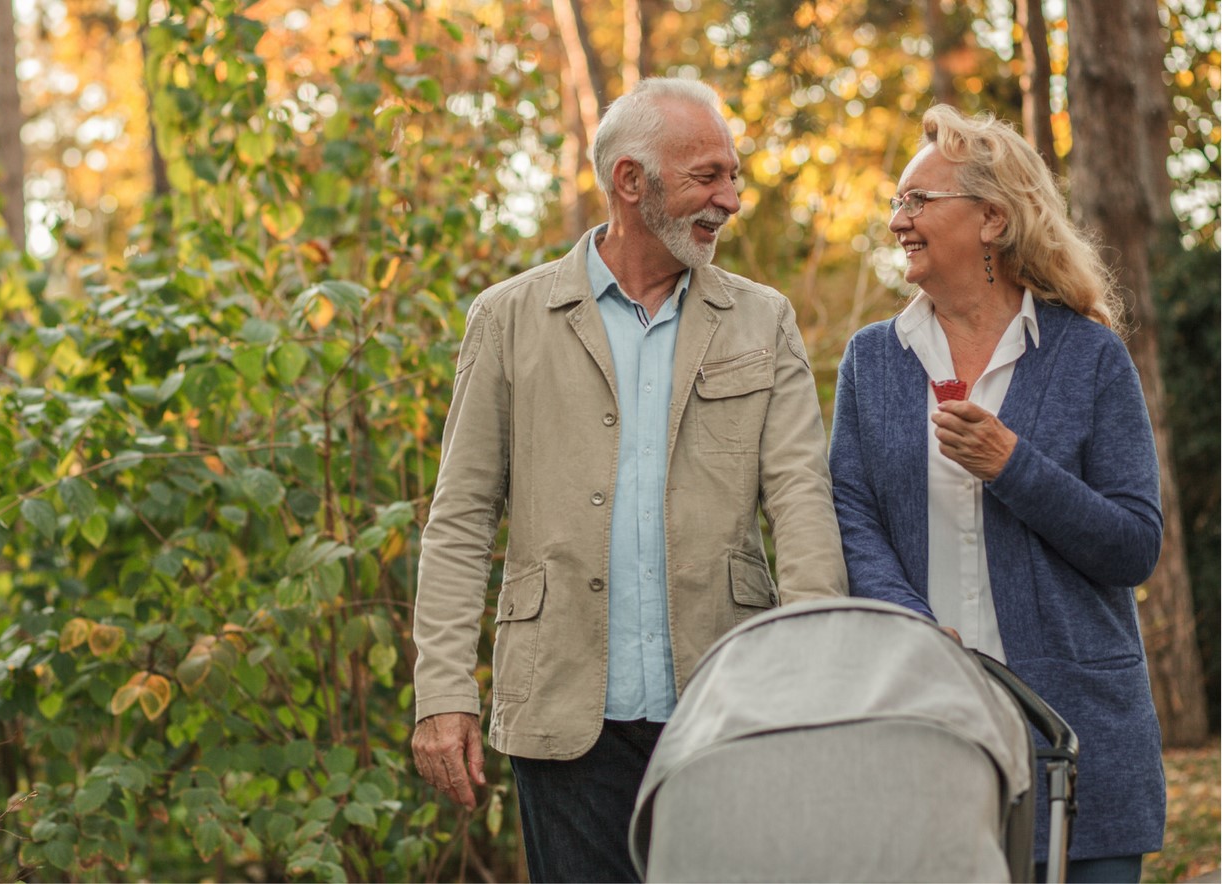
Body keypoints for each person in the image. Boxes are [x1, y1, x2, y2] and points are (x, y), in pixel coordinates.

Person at [410, 77, 846, 883]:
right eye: (707, 177)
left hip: (726, 701)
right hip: (564, 708)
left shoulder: (763, 319)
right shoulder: (506, 318)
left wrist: (807, 668)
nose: (731, 198)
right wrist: (442, 692)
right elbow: (461, 516)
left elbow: (799, 498)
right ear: (630, 182)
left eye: (733, 175)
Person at [829, 104, 1166, 883]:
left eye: (917, 202)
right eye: (896, 203)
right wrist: (911, 627)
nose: (896, 222)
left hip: (1080, 742)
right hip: (925, 730)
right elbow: (851, 514)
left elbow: (1132, 546)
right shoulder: (871, 360)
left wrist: (1013, 465)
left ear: (990, 219)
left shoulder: (1088, 356)